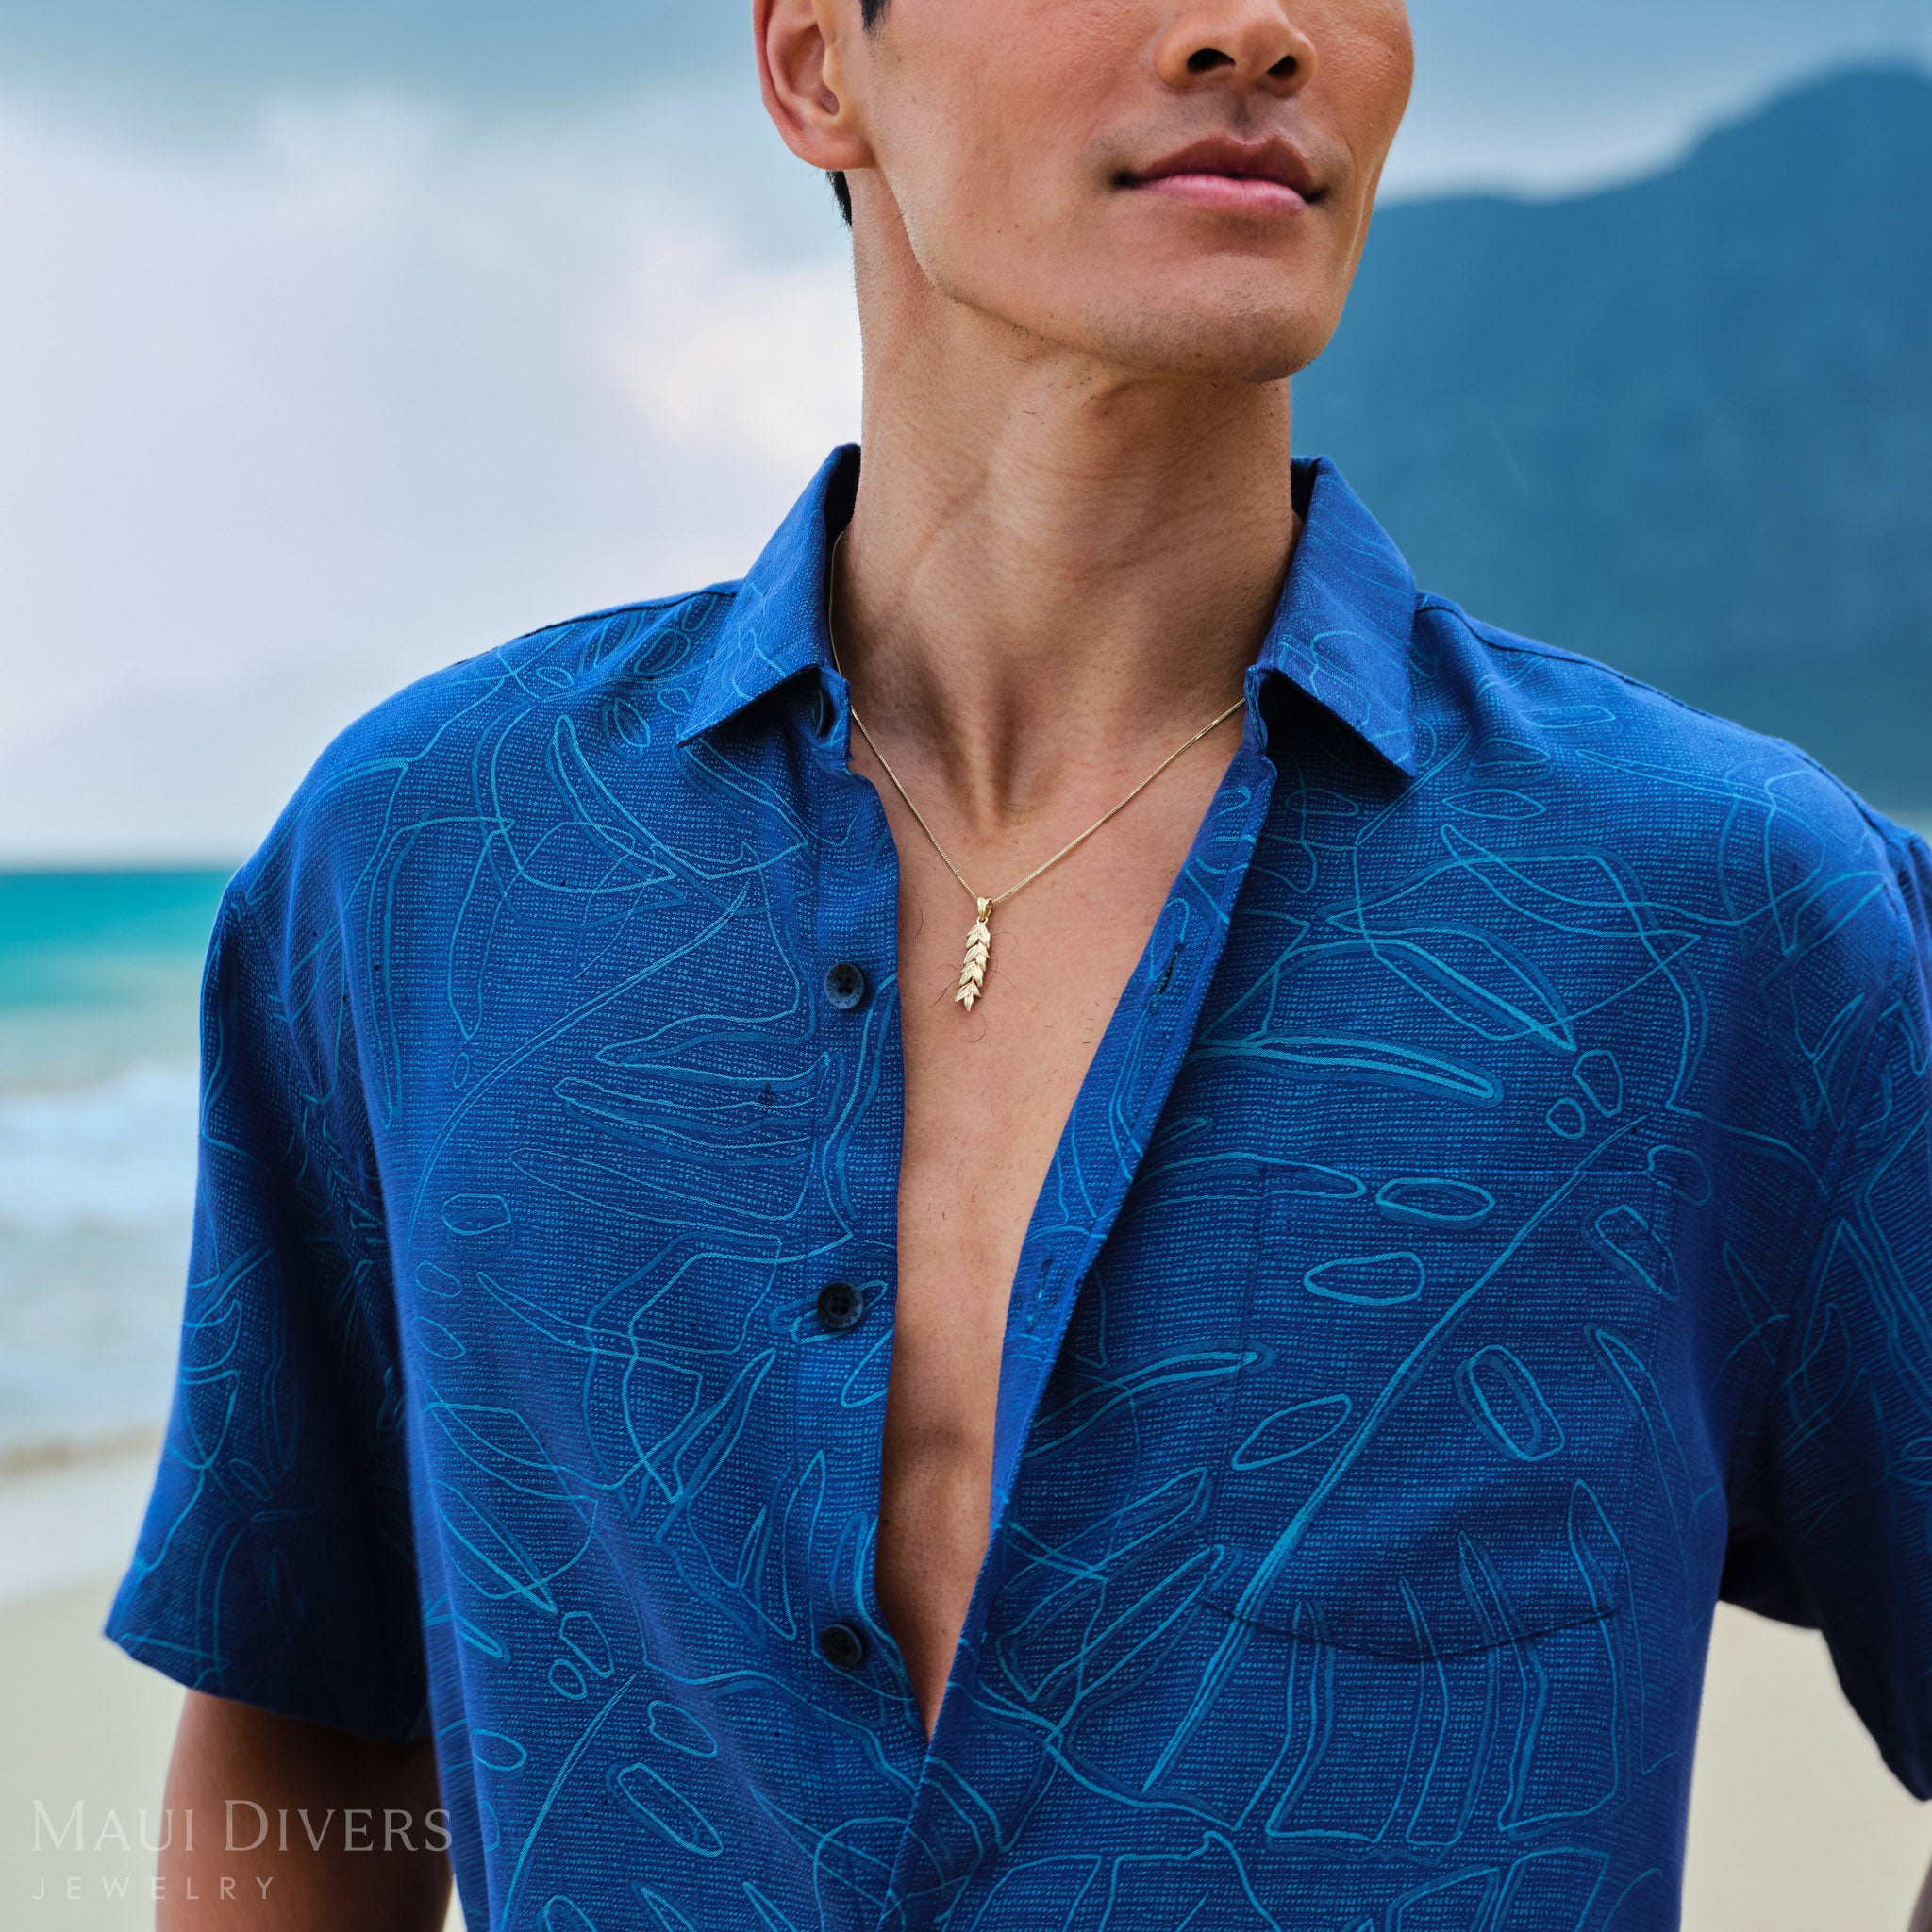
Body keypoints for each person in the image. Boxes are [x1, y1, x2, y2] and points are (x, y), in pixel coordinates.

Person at [108, 1, 1932, 1927]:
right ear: (819, 65)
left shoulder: (1711, 910)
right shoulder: (427, 867)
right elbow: (306, 1716)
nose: (1257, 29)